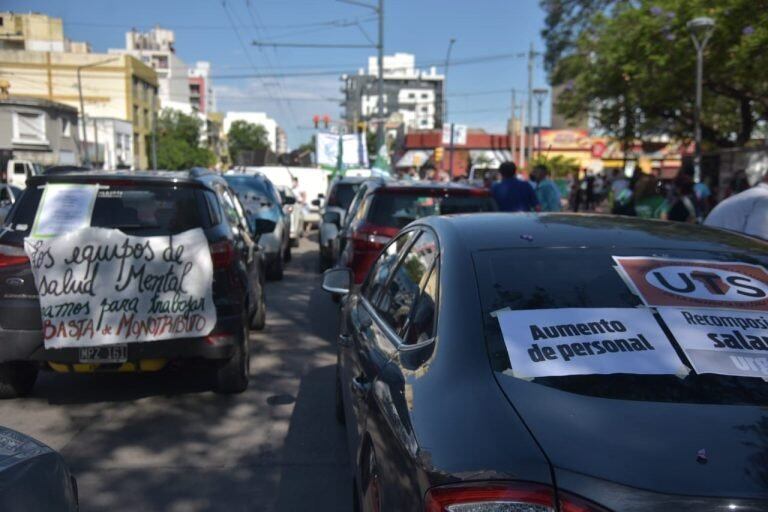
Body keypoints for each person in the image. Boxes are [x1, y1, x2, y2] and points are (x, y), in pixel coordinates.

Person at [705, 173, 768, 239]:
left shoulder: (755, 194)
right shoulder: (764, 198)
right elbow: (759, 240)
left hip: (709, 243)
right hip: (716, 244)